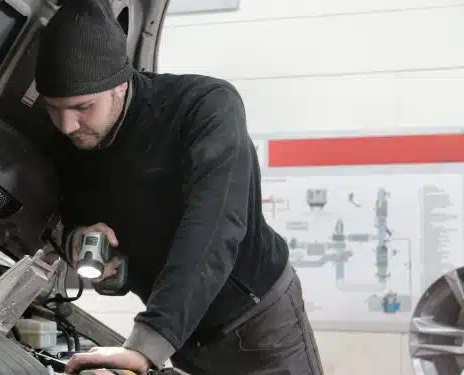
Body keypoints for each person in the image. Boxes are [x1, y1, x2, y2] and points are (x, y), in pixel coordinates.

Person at [34, 1, 325, 374]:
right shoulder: (67, 145)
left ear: (120, 85)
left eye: (82, 107)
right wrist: (77, 241)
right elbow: (63, 216)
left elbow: (214, 229)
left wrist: (148, 342)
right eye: (52, 109)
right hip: (184, 335)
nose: (66, 125)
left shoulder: (204, 109)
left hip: (259, 325)